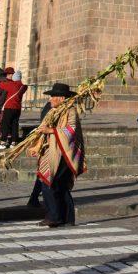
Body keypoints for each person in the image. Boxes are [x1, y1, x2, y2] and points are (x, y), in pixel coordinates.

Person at [32, 83, 84, 227]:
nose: (50, 100)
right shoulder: (52, 111)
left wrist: (52, 131)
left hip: (64, 153)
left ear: (61, 98)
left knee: (49, 184)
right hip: (52, 150)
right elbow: (43, 129)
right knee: (59, 185)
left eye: (53, 97)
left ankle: (54, 217)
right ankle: (67, 218)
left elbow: (71, 130)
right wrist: (37, 145)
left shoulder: (70, 111)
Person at [0, 68, 27, 149]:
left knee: (5, 124)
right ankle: (14, 142)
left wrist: (4, 78)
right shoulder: (23, 86)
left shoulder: (11, 85)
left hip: (9, 107)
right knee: (15, 124)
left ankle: (3, 142)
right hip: (18, 108)